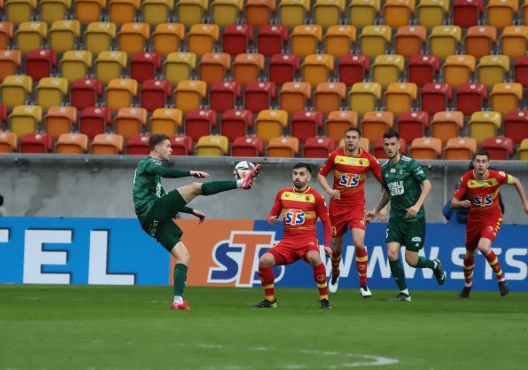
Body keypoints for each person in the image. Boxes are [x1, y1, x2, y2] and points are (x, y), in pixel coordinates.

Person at [133, 133, 260, 310]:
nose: (171, 149)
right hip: (151, 211)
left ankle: (178, 300)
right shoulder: (147, 163)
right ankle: (240, 183)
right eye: (168, 146)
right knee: (195, 187)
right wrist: (189, 173)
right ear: (157, 148)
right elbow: (164, 173)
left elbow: (165, 199)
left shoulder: (152, 175)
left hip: (150, 221)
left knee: (183, 256)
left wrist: (191, 211)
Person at [365, 131, 445, 302]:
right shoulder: (384, 169)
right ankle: (404, 293)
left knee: (411, 260)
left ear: (399, 145)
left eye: (392, 144)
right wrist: (376, 210)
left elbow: (427, 185)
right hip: (396, 219)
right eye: (386, 144)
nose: (389, 148)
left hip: (414, 219)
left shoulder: (410, 164)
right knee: (392, 254)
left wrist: (417, 205)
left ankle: (434, 265)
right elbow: (387, 192)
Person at [450, 149, 528, 298]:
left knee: (484, 247)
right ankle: (467, 286)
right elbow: (452, 203)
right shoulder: (466, 179)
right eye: (478, 161)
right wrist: (461, 204)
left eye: (484, 162)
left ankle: (501, 280)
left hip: (492, 216)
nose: (481, 165)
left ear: (488, 164)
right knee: (470, 255)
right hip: (474, 220)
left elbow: (516, 181)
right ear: (473, 163)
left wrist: (526, 204)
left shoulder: (496, 176)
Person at [254, 162, 333, 309]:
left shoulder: (316, 197)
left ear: (309, 177)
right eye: (295, 173)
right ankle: (270, 300)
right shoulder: (283, 194)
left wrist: (327, 245)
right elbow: (272, 215)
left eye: (302, 174)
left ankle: (324, 299)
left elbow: (326, 222)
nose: (298, 177)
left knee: (315, 258)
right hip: (288, 242)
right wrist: (270, 219)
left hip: (307, 241)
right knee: (264, 261)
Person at [317, 127, 383, 298]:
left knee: (359, 243)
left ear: (359, 141)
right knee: (336, 247)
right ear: (344, 139)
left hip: (356, 206)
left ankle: (363, 284)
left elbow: (385, 183)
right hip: (337, 207)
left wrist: (382, 207)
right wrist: (329, 191)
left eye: (354, 137)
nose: (351, 140)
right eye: (348, 137)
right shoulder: (336, 156)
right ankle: (336, 274)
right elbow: (320, 175)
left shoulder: (368, 159)